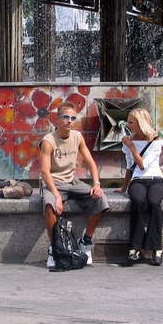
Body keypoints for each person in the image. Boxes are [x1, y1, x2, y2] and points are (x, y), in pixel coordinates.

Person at [39, 100, 108, 268]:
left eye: (73, 117)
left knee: (100, 199)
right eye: (65, 117)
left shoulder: (77, 136)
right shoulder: (48, 141)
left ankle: (85, 242)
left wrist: (96, 184)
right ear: (57, 119)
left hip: (72, 181)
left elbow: (90, 162)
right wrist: (57, 196)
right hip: (53, 182)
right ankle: (55, 249)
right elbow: (45, 172)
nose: (70, 120)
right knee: (50, 206)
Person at [114, 108, 163, 265]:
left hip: (156, 179)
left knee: (154, 203)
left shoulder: (156, 140)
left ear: (140, 123)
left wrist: (131, 146)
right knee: (137, 200)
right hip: (137, 180)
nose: (127, 125)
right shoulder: (129, 140)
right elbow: (131, 167)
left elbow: (143, 165)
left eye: (131, 122)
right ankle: (135, 247)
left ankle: (156, 247)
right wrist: (124, 188)